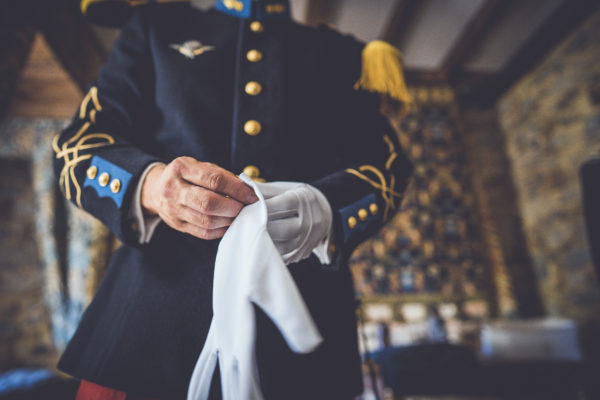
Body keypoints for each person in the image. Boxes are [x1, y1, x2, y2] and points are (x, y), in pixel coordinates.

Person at [52, 0, 414, 398]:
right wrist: (153, 185)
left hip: (303, 328)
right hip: (149, 322)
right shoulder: (156, 24)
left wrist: (324, 209)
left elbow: (387, 168)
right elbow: (79, 141)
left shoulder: (347, 57)